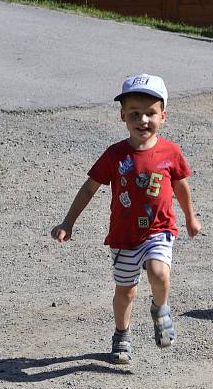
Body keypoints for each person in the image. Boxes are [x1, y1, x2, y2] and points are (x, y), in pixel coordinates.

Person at [50, 74, 202, 365]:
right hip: (123, 237)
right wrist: (68, 222)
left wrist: (190, 217)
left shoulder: (171, 152)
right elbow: (89, 188)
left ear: (163, 116)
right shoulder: (115, 155)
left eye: (150, 113)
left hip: (159, 230)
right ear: (123, 116)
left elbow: (181, 185)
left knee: (159, 274)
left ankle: (160, 308)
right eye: (134, 113)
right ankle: (122, 334)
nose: (142, 119)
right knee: (126, 291)